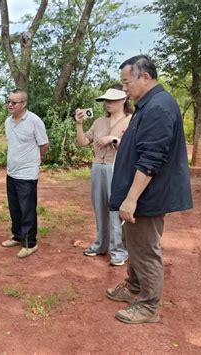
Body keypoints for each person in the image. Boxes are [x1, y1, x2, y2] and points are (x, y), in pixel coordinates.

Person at [106, 55, 192, 324]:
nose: (124, 88)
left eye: (126, 82)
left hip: (147, 195)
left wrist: (131, 199)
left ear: (145, 77)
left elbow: (152, 159)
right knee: (134, 242)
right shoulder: (148, 105)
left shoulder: (158, 107)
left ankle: (148, 306)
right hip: (141, 193)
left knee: (145, 248)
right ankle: (133, 287)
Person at [75, 85, 132, 266]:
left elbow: (133, 148)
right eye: (106, 100)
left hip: (117, 168)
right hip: (98, 167)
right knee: (99, 207)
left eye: (112, 99)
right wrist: (79, 124)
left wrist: (114, 139)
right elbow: (83, 142)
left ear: (124, 100)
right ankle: (101, 244)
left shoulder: (131, 120)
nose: (108, 103)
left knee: (115, 209)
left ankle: (119, 250)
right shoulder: (99, 122)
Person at [1, 89, 49, 258]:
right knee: (14, 208)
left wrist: (36, 162)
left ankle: (30, 243)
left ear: (24, 103)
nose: (10, 105)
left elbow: (44, 145)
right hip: (11, 172)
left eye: (14, 102)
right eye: (8, 101)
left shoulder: (34, 121)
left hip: (27, 174)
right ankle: (17, 235)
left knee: (27, 209)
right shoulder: (8, 122)